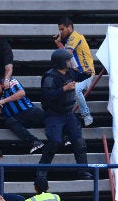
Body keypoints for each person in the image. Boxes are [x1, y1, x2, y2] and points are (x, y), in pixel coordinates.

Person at [37, 49, 93, 180]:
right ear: (61, 62)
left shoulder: (70, 72)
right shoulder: (50, 77)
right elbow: (46, 96)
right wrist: (63, 89)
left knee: (79, 141)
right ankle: (42, 172)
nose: (70, 62)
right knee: (54, 142)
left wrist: (86, 74)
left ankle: (83, 171)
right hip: (54, 115)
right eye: (68, 60)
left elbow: (78, 77)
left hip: (68, 114)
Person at [54, 17, 95, 126]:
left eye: (62, 29)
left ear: (70, 27)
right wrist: (59, 43)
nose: (60, 32)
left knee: (75, 89)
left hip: (86, 73)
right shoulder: (70, 39)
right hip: (77, 74)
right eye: (59, 30)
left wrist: (58, 43)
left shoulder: (74, 37)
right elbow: (67, 56)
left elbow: (65, 55)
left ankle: (87, 115)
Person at [0, 77, 45, 154]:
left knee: (41, 114)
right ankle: (34, 142)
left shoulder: (11, 82)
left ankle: (64, 131)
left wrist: (3, 101)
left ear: (2, 85)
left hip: (29, 111)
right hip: (16, 119)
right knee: (9, 121)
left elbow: (21, 93)